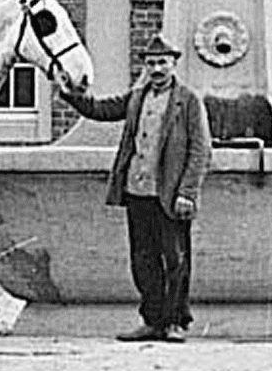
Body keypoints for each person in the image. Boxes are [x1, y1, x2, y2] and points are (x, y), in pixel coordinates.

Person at [63, 39, 211, 341]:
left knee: (175, 260)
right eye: (151, 63)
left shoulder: (188, 101)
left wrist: (188, 192)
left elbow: (201, 149)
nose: (157, 69)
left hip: (170, 195)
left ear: (173, 64)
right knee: (143, 259)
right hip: (137, 190)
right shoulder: (136, 97)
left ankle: (175, 322)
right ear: (145, 66)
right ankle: (152, 320)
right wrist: (70, 95)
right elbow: (100, 109)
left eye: (163, 63)